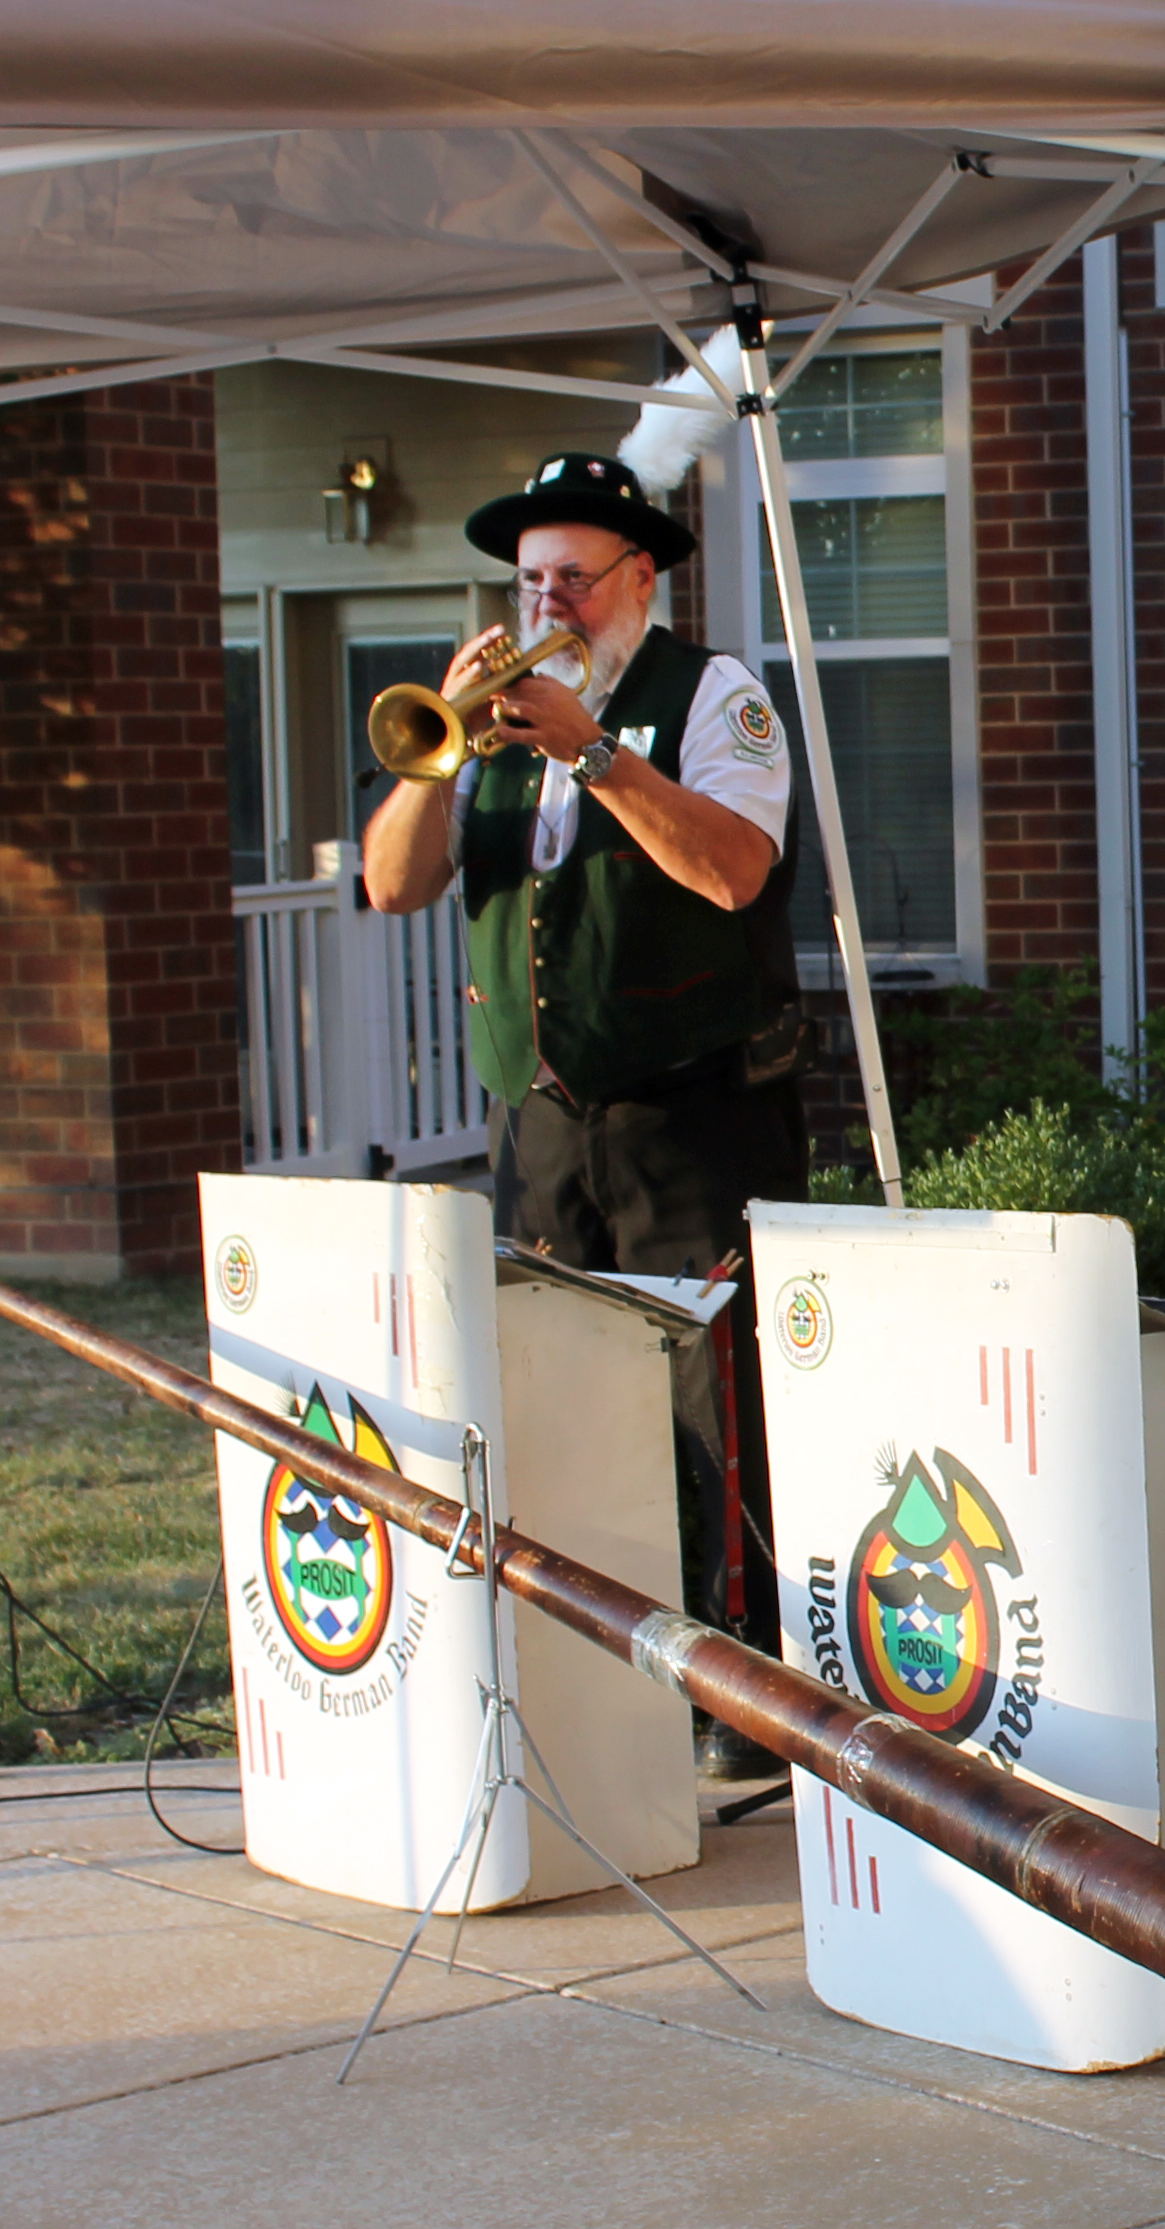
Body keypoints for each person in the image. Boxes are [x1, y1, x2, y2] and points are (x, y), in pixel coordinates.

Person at [362, 451, 806, 1754]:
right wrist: (436, 759)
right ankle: (598, 1682)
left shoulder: (711, 694)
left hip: (691, 1112)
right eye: (530, 582)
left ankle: (743, 1692)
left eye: (573, 579)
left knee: (717, 1408)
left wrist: (594, 749)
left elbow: (734, 871)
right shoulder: (490, 731)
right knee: (558, 1397)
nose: (547, 603)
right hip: (545, 1119)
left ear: (639, 579)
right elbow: (391, 885)